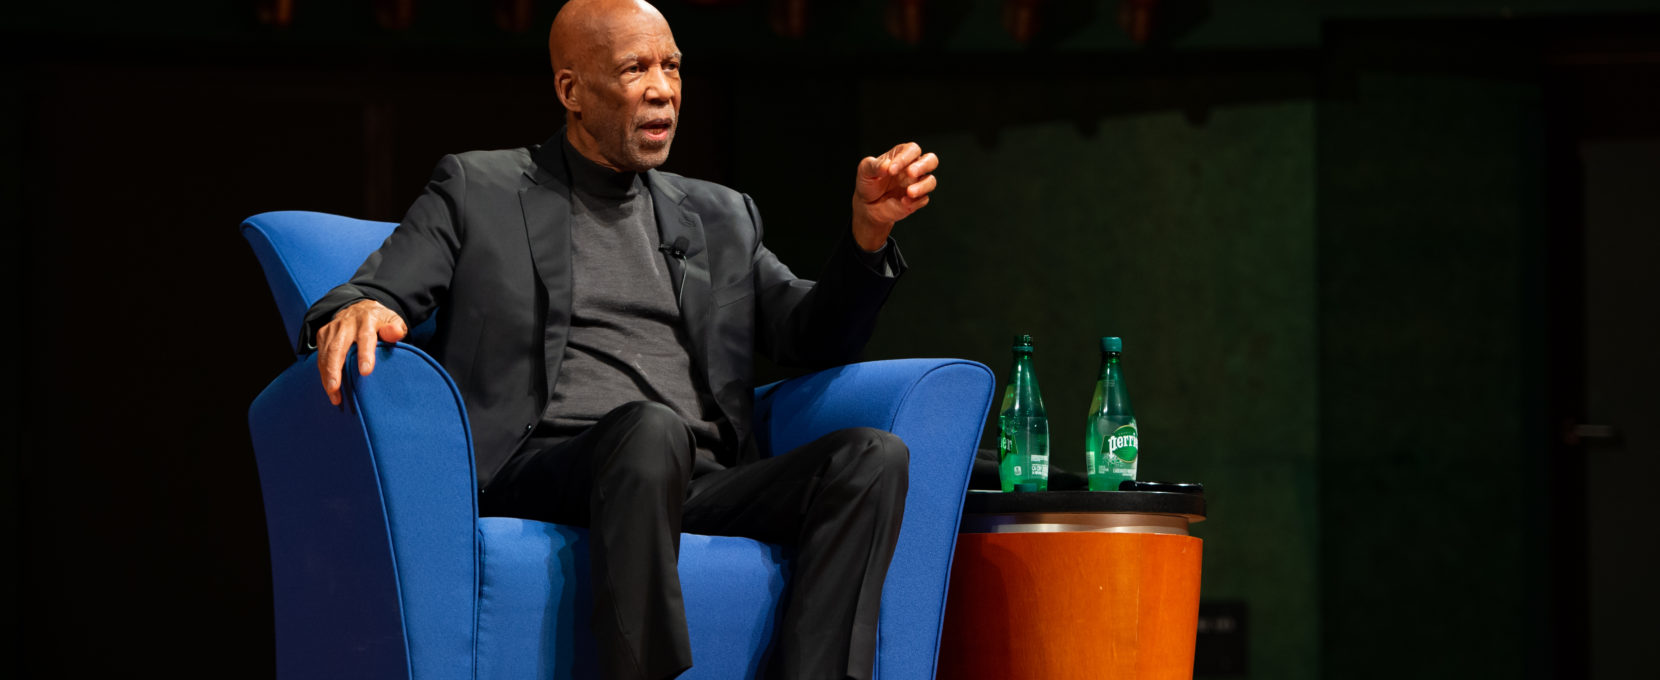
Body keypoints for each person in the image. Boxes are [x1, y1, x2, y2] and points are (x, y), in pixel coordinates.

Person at [299, 1, 940, 678]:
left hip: (694, 476)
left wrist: (867, 239)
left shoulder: (720, 214)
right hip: (550, 466)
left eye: (672, 67)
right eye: (636, 69)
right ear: (571, 90)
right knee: (649, 430)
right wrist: (360, 308)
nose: (663, 88)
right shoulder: (478, 189)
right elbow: (370, 293)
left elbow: (810, 338)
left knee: (873, 456)